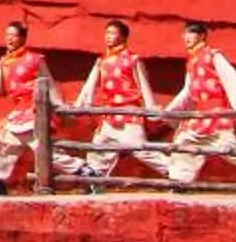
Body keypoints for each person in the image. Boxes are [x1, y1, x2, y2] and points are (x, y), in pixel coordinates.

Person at [160, 21, 236, 183]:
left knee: (230, 151)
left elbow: (230, 78)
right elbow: (187, 92)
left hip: (217, 114)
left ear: (202, 36)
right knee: (183, 143)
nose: (187, 37)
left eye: (191, 33)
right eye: (185, 34)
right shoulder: (191, 62)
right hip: (199, 116)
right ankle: (180, 181)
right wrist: (169, 111)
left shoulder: (214, 56)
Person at [61, 20, 167, 183]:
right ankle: (95, 183)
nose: (108, 37)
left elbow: (143, 85)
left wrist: (151, 108)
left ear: (123, 37)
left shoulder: (132, 60)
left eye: (113, 33)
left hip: (128, 115)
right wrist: (78, 105)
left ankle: (176, 173)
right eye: (107, 33)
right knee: (98, 150)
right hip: (108, 116)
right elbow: (89, 86)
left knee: (141, 150)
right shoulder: (102, 61)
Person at [0, 22, 47, 196]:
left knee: (48, 152)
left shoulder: (34, 59)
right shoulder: (4, 63)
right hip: (18, 114)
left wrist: (60, 107)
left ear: (22, 38)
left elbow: (48, 85)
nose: (10, 38)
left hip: (35, 112)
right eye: (7, 34)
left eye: (14, 35)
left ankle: (87, 173)